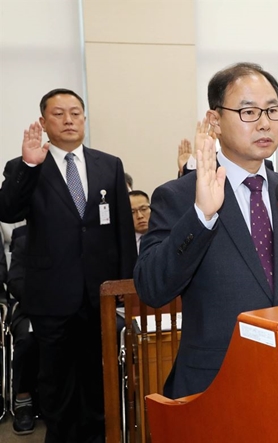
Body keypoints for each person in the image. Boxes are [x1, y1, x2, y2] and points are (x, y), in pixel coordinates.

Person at [134, 62, 278, 399]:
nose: (264, 123)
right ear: (215, 120)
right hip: (214, 384)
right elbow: (152, 288)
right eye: (248, 111)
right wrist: (201, 216)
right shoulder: (180, 195)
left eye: (272, 110)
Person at [0, 88, 136, 442]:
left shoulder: (110, 164)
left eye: (76, 112)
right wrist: (29, 165)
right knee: (56, 381)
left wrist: (126, 287)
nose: (69, 119)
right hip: (51, 294)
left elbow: (122, 229)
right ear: (44, 122)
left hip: (99, 294)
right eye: (58, 114)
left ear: (85, 119)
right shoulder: (24, 166)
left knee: (97, 378)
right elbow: (8, 211)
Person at [7, 225, 39, 435]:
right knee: (27, 338)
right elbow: (15, 281)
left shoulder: (72, 236)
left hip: (70, 306)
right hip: (31, 308)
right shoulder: (24, 242)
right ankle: (23, 399)